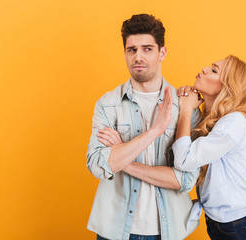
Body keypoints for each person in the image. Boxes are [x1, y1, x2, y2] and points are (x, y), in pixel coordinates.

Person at [86, 14, 201, 240]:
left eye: (147, 49)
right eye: (132, 50)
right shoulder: (108, 104)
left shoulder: (185, 107)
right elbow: (98, 165)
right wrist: (155, 131)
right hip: (115, 230)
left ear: (162, 53)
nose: (138, 56)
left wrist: (122, 156)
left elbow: (185, 180)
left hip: (167, 231)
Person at [172, 55, 246, 240]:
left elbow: (183, 160)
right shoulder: (215, 122)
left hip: (240, 230)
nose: (204, 69)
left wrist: (185, 109)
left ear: (228, 87)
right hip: (226, 227)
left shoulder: (234, 122)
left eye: (214, 70)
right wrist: (188, 103)